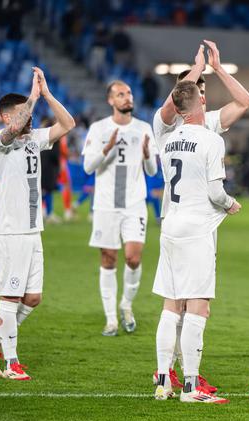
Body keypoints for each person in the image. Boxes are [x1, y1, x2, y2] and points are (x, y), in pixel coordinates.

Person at [152, 40, 249, 392]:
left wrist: (217, 68)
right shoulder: (191, 131)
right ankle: (191, 383)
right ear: (195, 97)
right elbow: (214, 191)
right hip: (197, 224)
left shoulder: (171, 135)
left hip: (173, 223)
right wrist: (229, 204)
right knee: (196, 305)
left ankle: (165, 377)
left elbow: (243, 101)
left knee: (172, 303)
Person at [0, 67, 75, 380]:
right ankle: (10, 363)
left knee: (32, 298)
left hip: (32, 230)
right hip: (9, 230)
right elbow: (12, 130)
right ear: (6, 117)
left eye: (29, 112)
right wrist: (31, 97)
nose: (29, 117)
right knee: (11, 296)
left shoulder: (33, 140)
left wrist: (46, 95)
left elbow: (67, 124)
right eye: (22, 114)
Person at [83, 80, 159, 336]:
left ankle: (126, 305)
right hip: (106, 205)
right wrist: (106, 148)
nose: (127, 97)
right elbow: (88, 167)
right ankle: (110, 319)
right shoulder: (99, 128)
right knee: (108, 259)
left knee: (133, 257)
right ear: (110, 100)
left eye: (128, 93)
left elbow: (152, 171)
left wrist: (148, 154)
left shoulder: (144, 128)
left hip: (134, 204)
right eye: (120, 94)